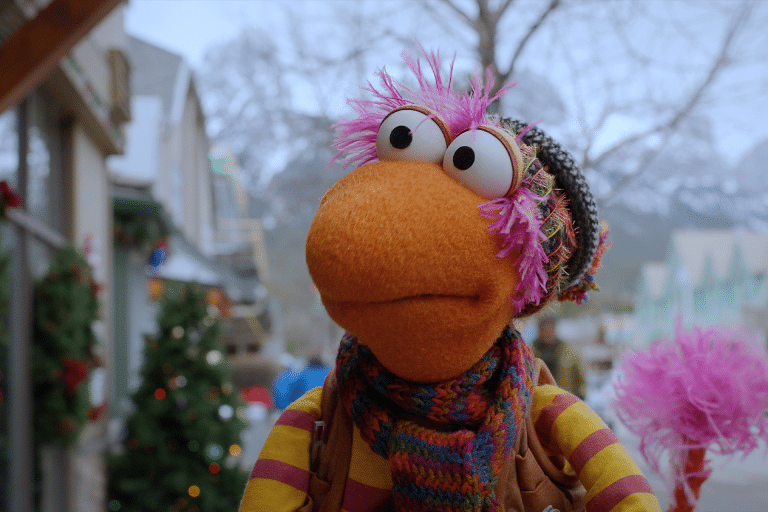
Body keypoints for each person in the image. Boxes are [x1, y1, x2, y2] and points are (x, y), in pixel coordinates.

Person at [531, 316, 587, 399]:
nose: (547, 333)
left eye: (550, 330)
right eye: (544, 330)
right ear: (539, 330)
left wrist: (578, 397)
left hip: (565, 403)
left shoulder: (570, 352)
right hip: (538, 403)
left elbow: (581, 380)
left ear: (555, 329)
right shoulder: (530, 352)